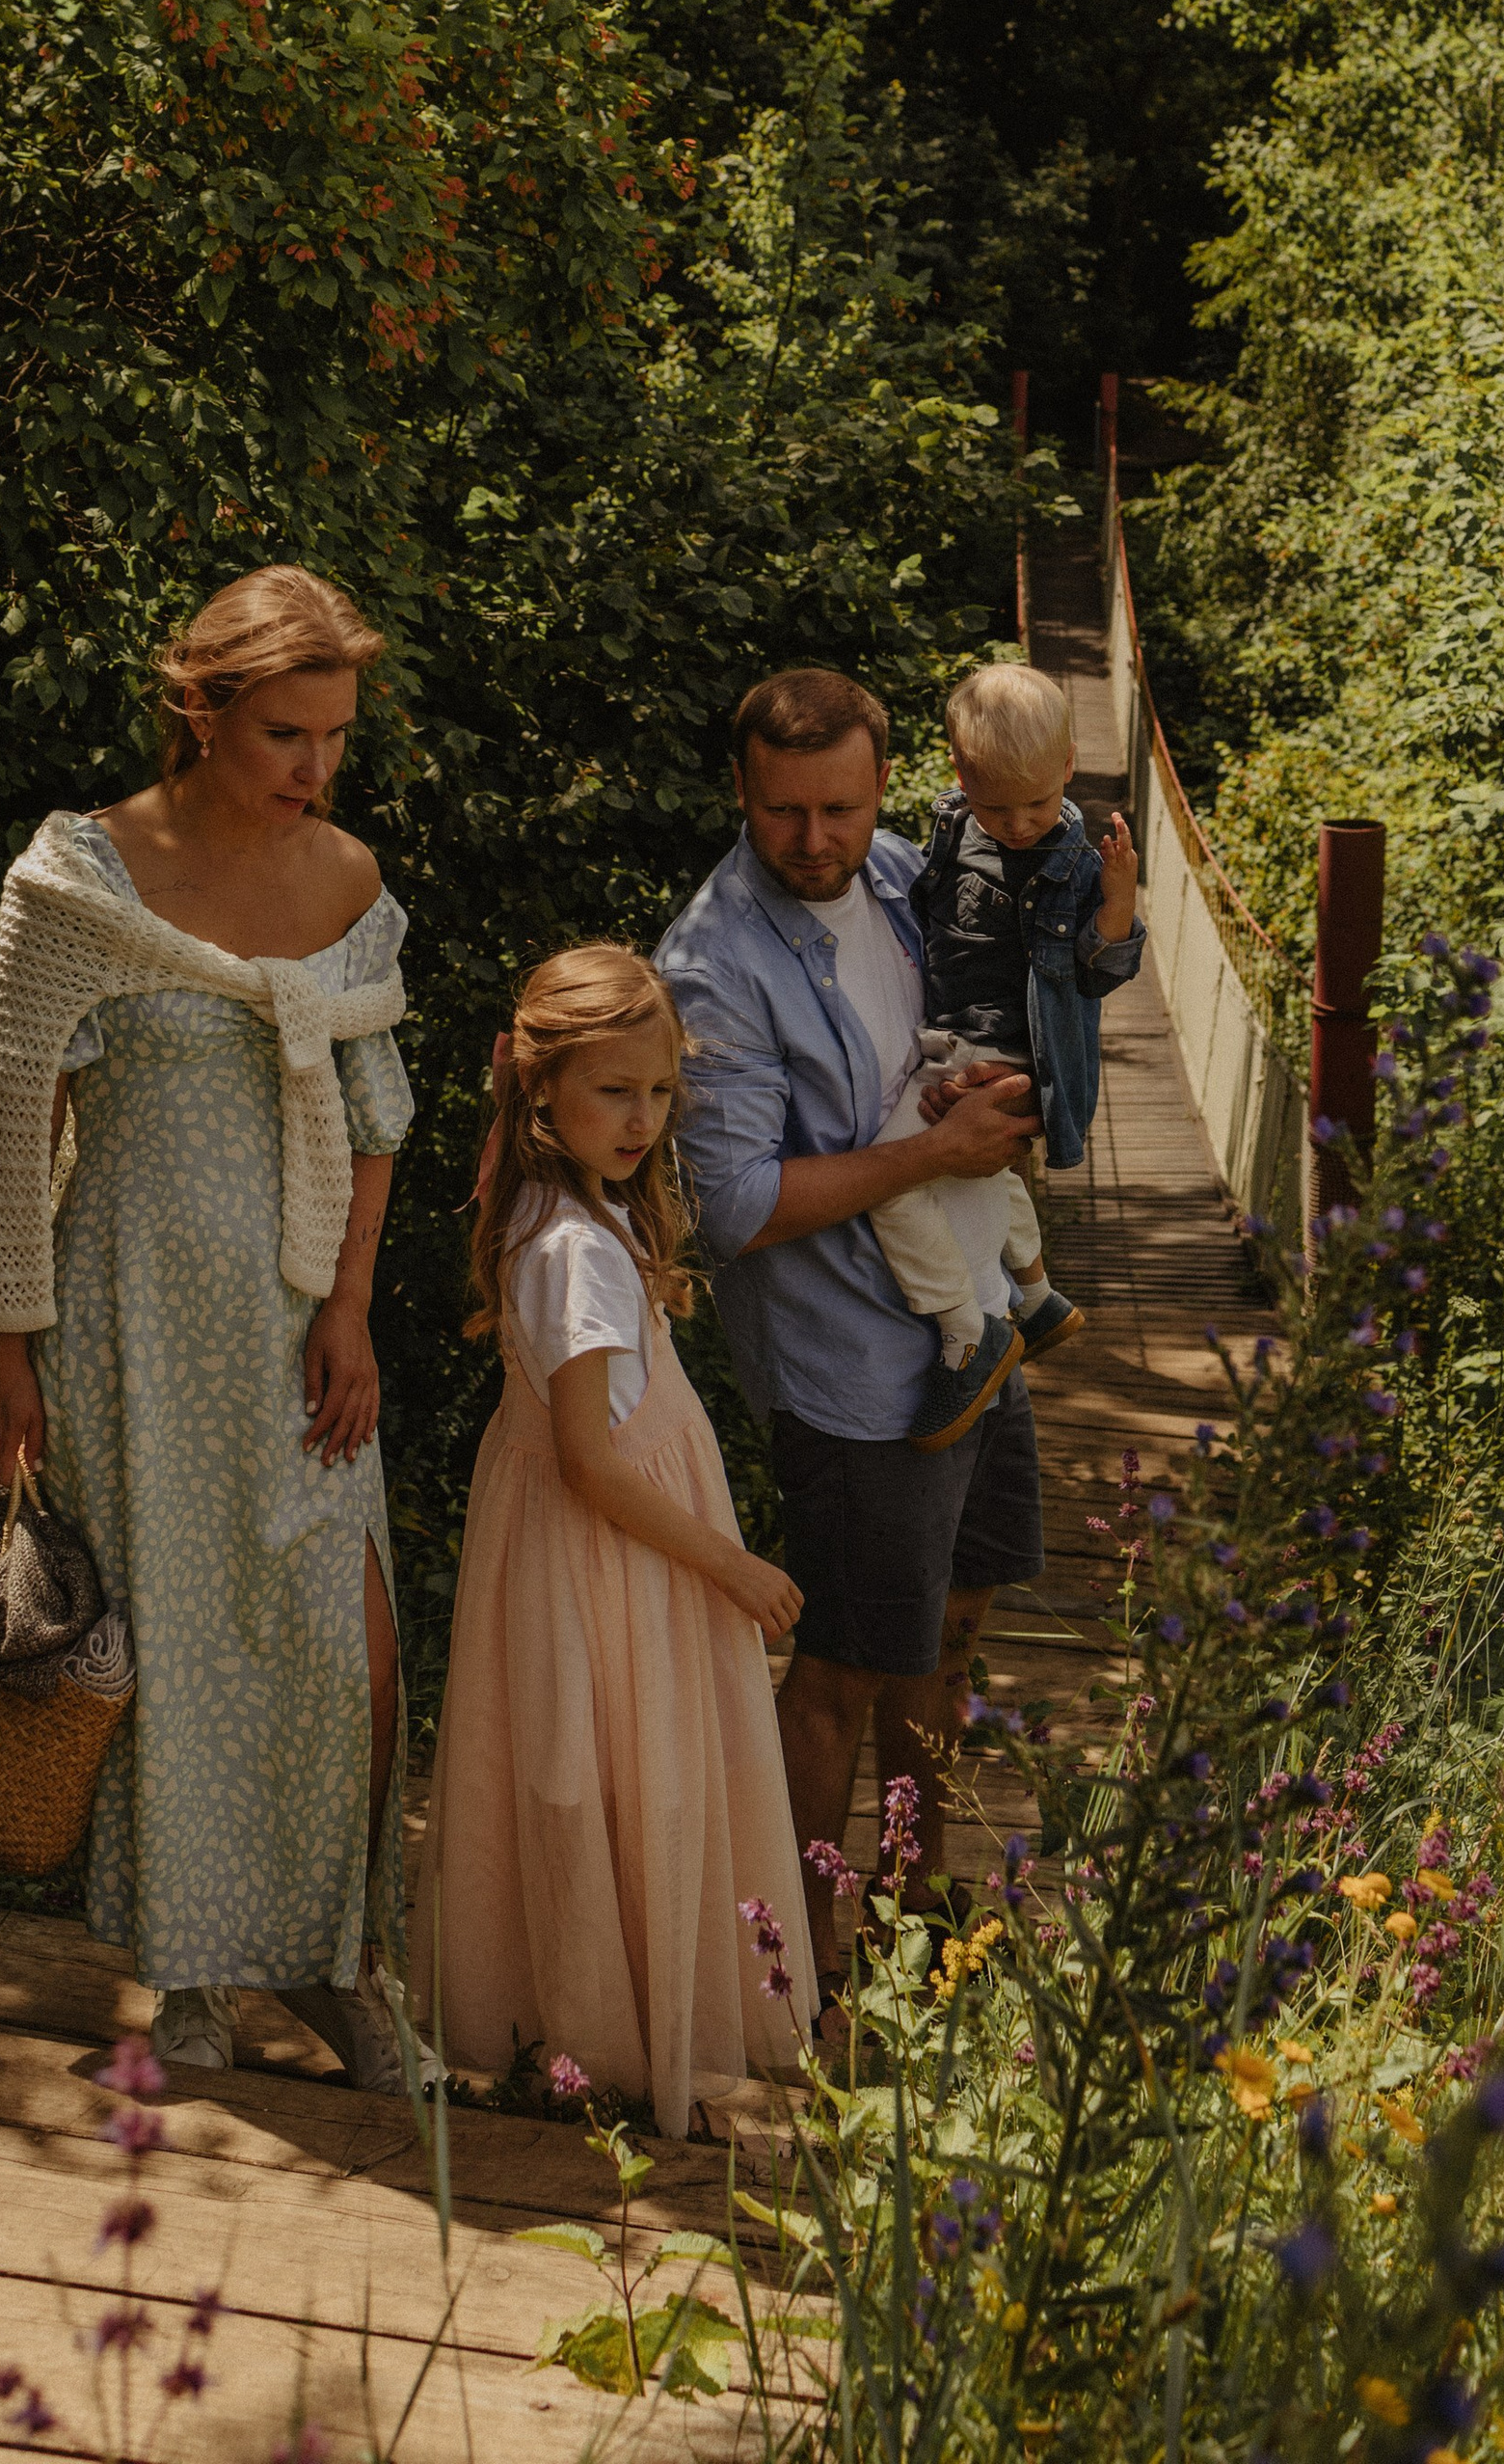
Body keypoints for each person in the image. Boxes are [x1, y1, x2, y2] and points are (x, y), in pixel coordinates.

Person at [0, 563, 419, 2092]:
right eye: (289, 732)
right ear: (203, 710)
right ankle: (198, 1978)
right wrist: (3, 1350)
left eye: (338, 736)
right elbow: (17, 1124)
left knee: (344, 1650)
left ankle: (354, 1971)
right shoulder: (76, 882)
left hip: (296, 1325)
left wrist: (352, 1305)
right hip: (125, 1323)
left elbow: (376, 1113)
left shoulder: (348, 883)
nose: (317, 768)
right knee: (174, 1651)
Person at [653, 667, 1045, 2014]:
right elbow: (731, 1208)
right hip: (852, 1368)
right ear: (744, 796)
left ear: (882, 786)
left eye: (835, 808)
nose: (812, 841)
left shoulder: (900, 876)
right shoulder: (711, 963)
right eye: (780, 814)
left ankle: (911, 1895)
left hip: (971, 1320)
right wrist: (939, 1147)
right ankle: (795, 1961)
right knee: (839, 1668)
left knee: (956, 1617)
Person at [413, 946, 812, 2137]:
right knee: (620, 1777)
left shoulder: (571, 1210)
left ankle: (600, 2028)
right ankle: (615, 2041)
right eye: (613, 1093)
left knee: (592, 1774)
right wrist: (730, 1564)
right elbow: (591, 1460)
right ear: (541, 1094)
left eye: (658, 1090)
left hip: (600, 1555)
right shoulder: (574, 1252)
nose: (643, 1119)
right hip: (617, 1565)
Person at [865, 659, 1143, 1431]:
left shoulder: (1077, 865)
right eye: (998, 806)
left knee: (886, 1181)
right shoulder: (955, 819)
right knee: (980, 1170)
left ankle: (966, 1327)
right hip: (951, 1038)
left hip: (1018, 1052)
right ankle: (1035, 1294)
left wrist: (1118, 901)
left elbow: (1104, 969)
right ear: (959, 774)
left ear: (1068, 766)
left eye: (1038, 803)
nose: (1020, 824)